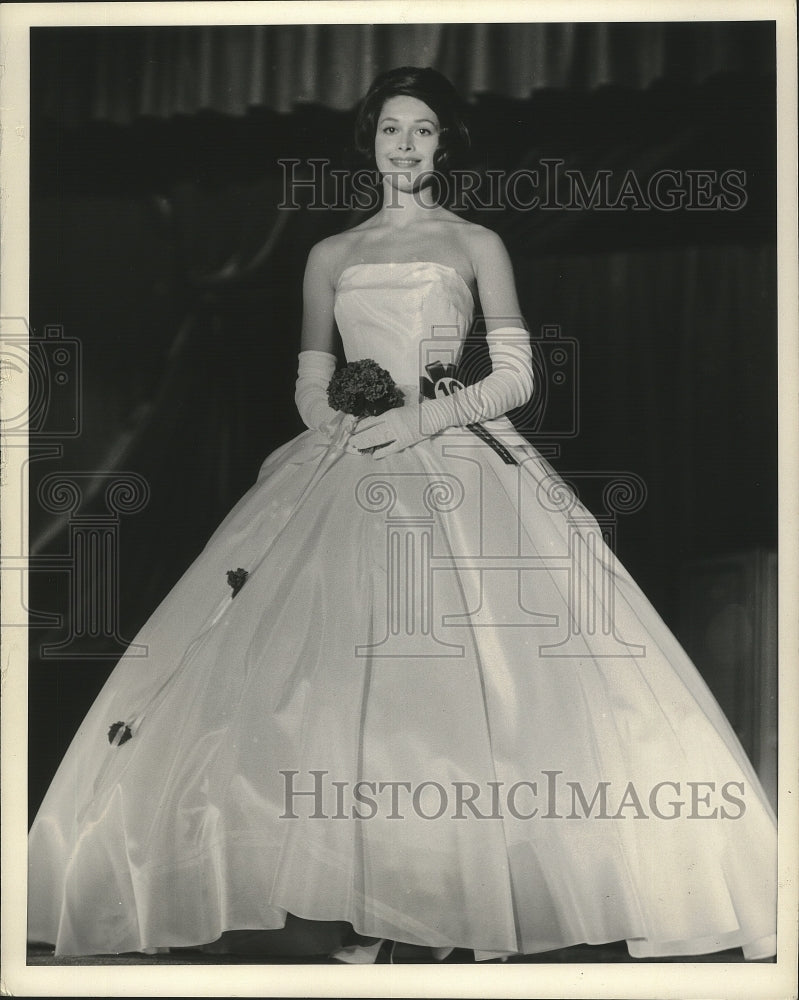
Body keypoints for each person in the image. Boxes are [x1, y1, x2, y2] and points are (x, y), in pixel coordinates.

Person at [28, 66, 777, 964]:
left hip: (451, 450)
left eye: (423, 130)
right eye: (391, 129)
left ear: (443, 145)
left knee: (471, 679)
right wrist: (338, 420)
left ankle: (457, 904)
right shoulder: (330, 254)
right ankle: (343, 904)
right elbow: (309, 373)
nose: (407, 145)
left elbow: (515, 376)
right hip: (342, 461)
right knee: (318, 673)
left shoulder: (474, 242)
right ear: (370, 143)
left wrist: (416, 419)